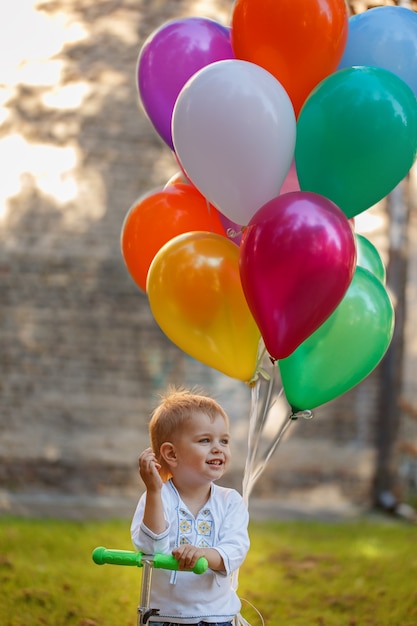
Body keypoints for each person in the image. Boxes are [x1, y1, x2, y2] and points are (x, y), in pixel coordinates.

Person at [130, 386, 250, 626]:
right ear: (171, 454)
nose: (218, 448)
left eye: (224, 440)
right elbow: (150, 550)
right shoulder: (158, 497)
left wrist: (202, 553)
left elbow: (236, 549)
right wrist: (153, 491)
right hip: (166, 617)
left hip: (218, 618)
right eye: (205, 440)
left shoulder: (230, 501)